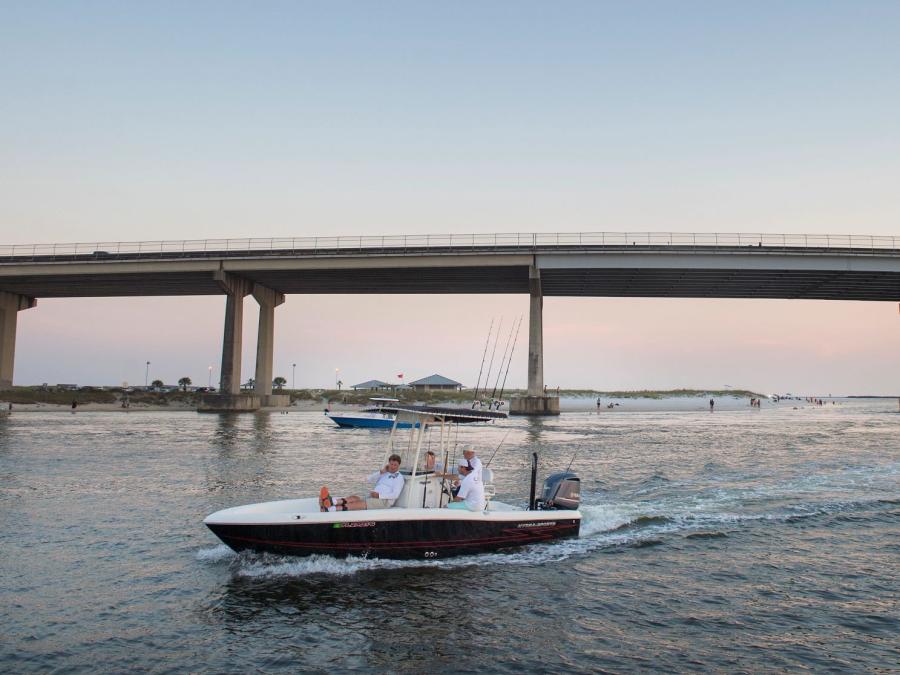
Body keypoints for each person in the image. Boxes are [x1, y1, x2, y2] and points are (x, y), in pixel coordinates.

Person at [320, 454, 404, 511]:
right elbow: (369, 479)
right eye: (391, 464)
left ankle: (330, 509)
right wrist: (381, 472)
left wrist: (379, 495)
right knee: (355, 497)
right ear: (388, 463)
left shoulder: (399, 478)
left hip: (384, 501)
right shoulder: (384, 473)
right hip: (374, 497)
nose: (393, 467)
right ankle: (332, 502)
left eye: (395, 465)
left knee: (358, 504)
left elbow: (395, 495)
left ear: (398, 466)